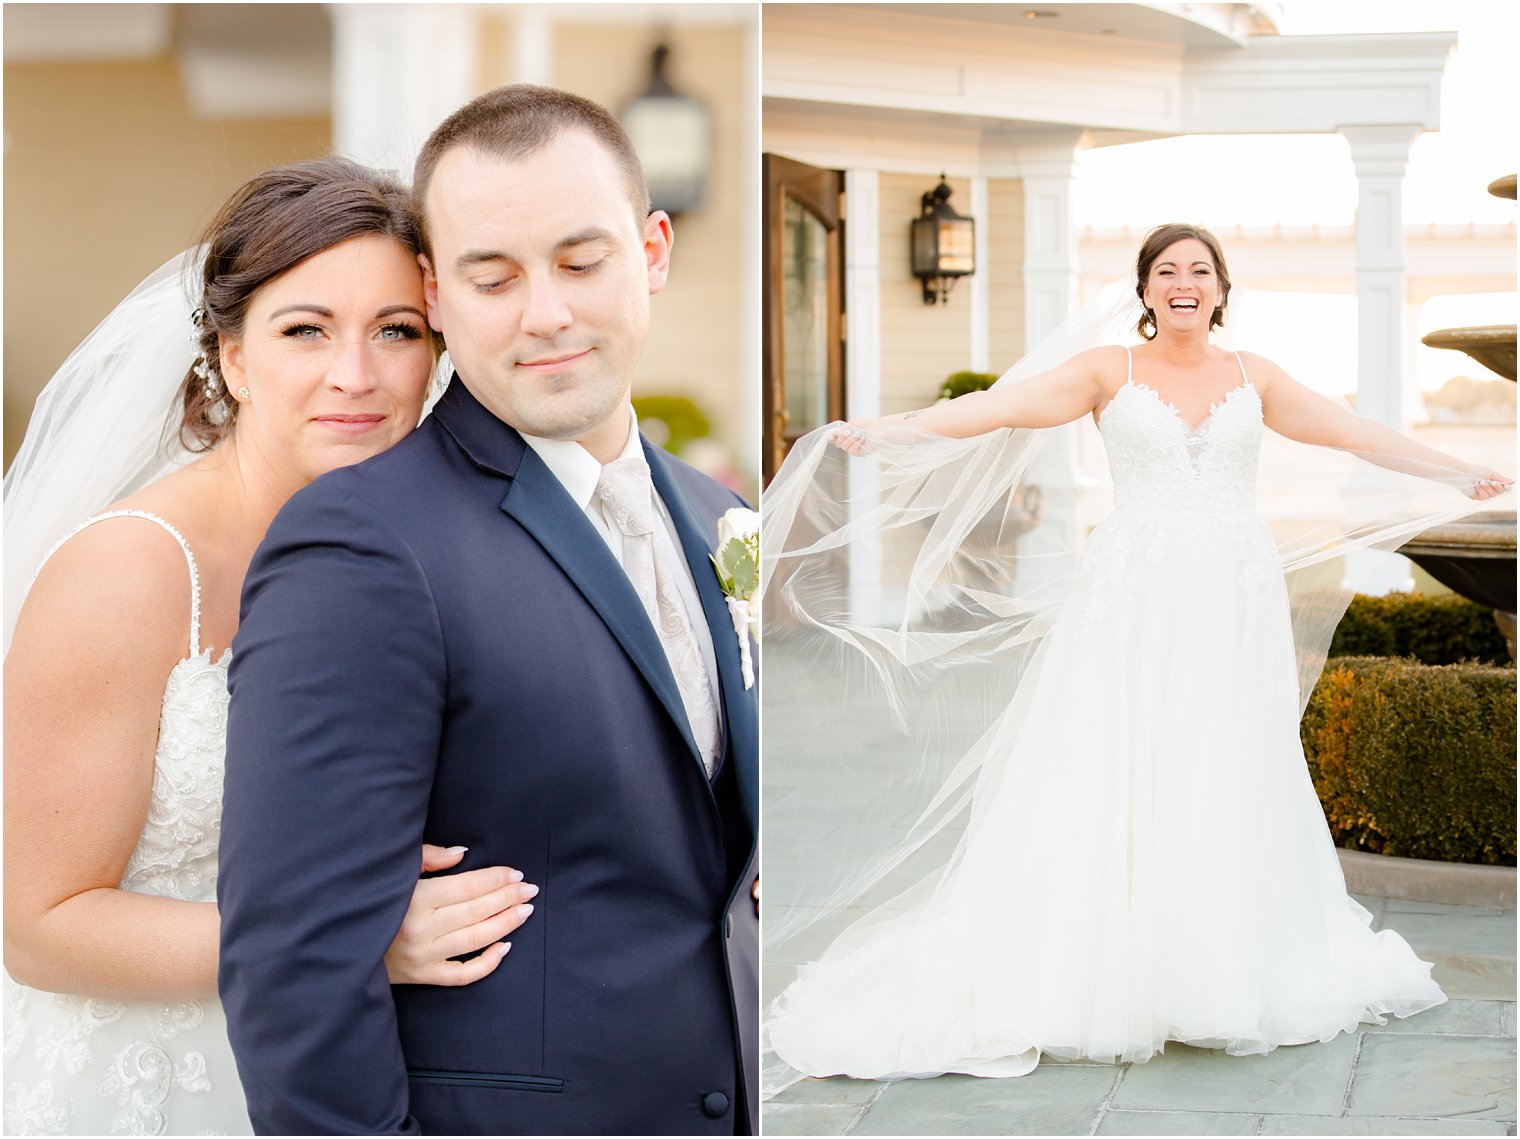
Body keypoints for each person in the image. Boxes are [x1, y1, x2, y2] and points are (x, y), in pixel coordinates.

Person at [760, 223, 1510, 1089]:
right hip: (1134, 600)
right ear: (1146, 290)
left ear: (1221, 290)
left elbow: (1348, 431)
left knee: (1224, 761)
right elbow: (1000, 405)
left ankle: (1223, 965)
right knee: (1120, 759)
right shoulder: (1107, 371)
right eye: (1166, 271)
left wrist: (1452, 469)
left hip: (1231, 593)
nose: (1182, 282)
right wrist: (896, 429)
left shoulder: (1252, 375)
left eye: (1199, 270)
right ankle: (1107, 962)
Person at [217, 84, 759, 1135]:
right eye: (492, 274)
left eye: (579, 259)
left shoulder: (720, 516)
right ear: (435, 286)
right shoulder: (362, 543)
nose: (544, 311)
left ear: (650, 250)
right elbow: (296, 967)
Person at [2, 158, 538, 1137]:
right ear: (233, 357)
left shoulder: (428, 546)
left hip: (358, 1066)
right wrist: (349, 938)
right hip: (150, 1079)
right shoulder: (128, 570)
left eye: (396, 332)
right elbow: (41, 926)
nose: (356, 375)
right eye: (305, 330)